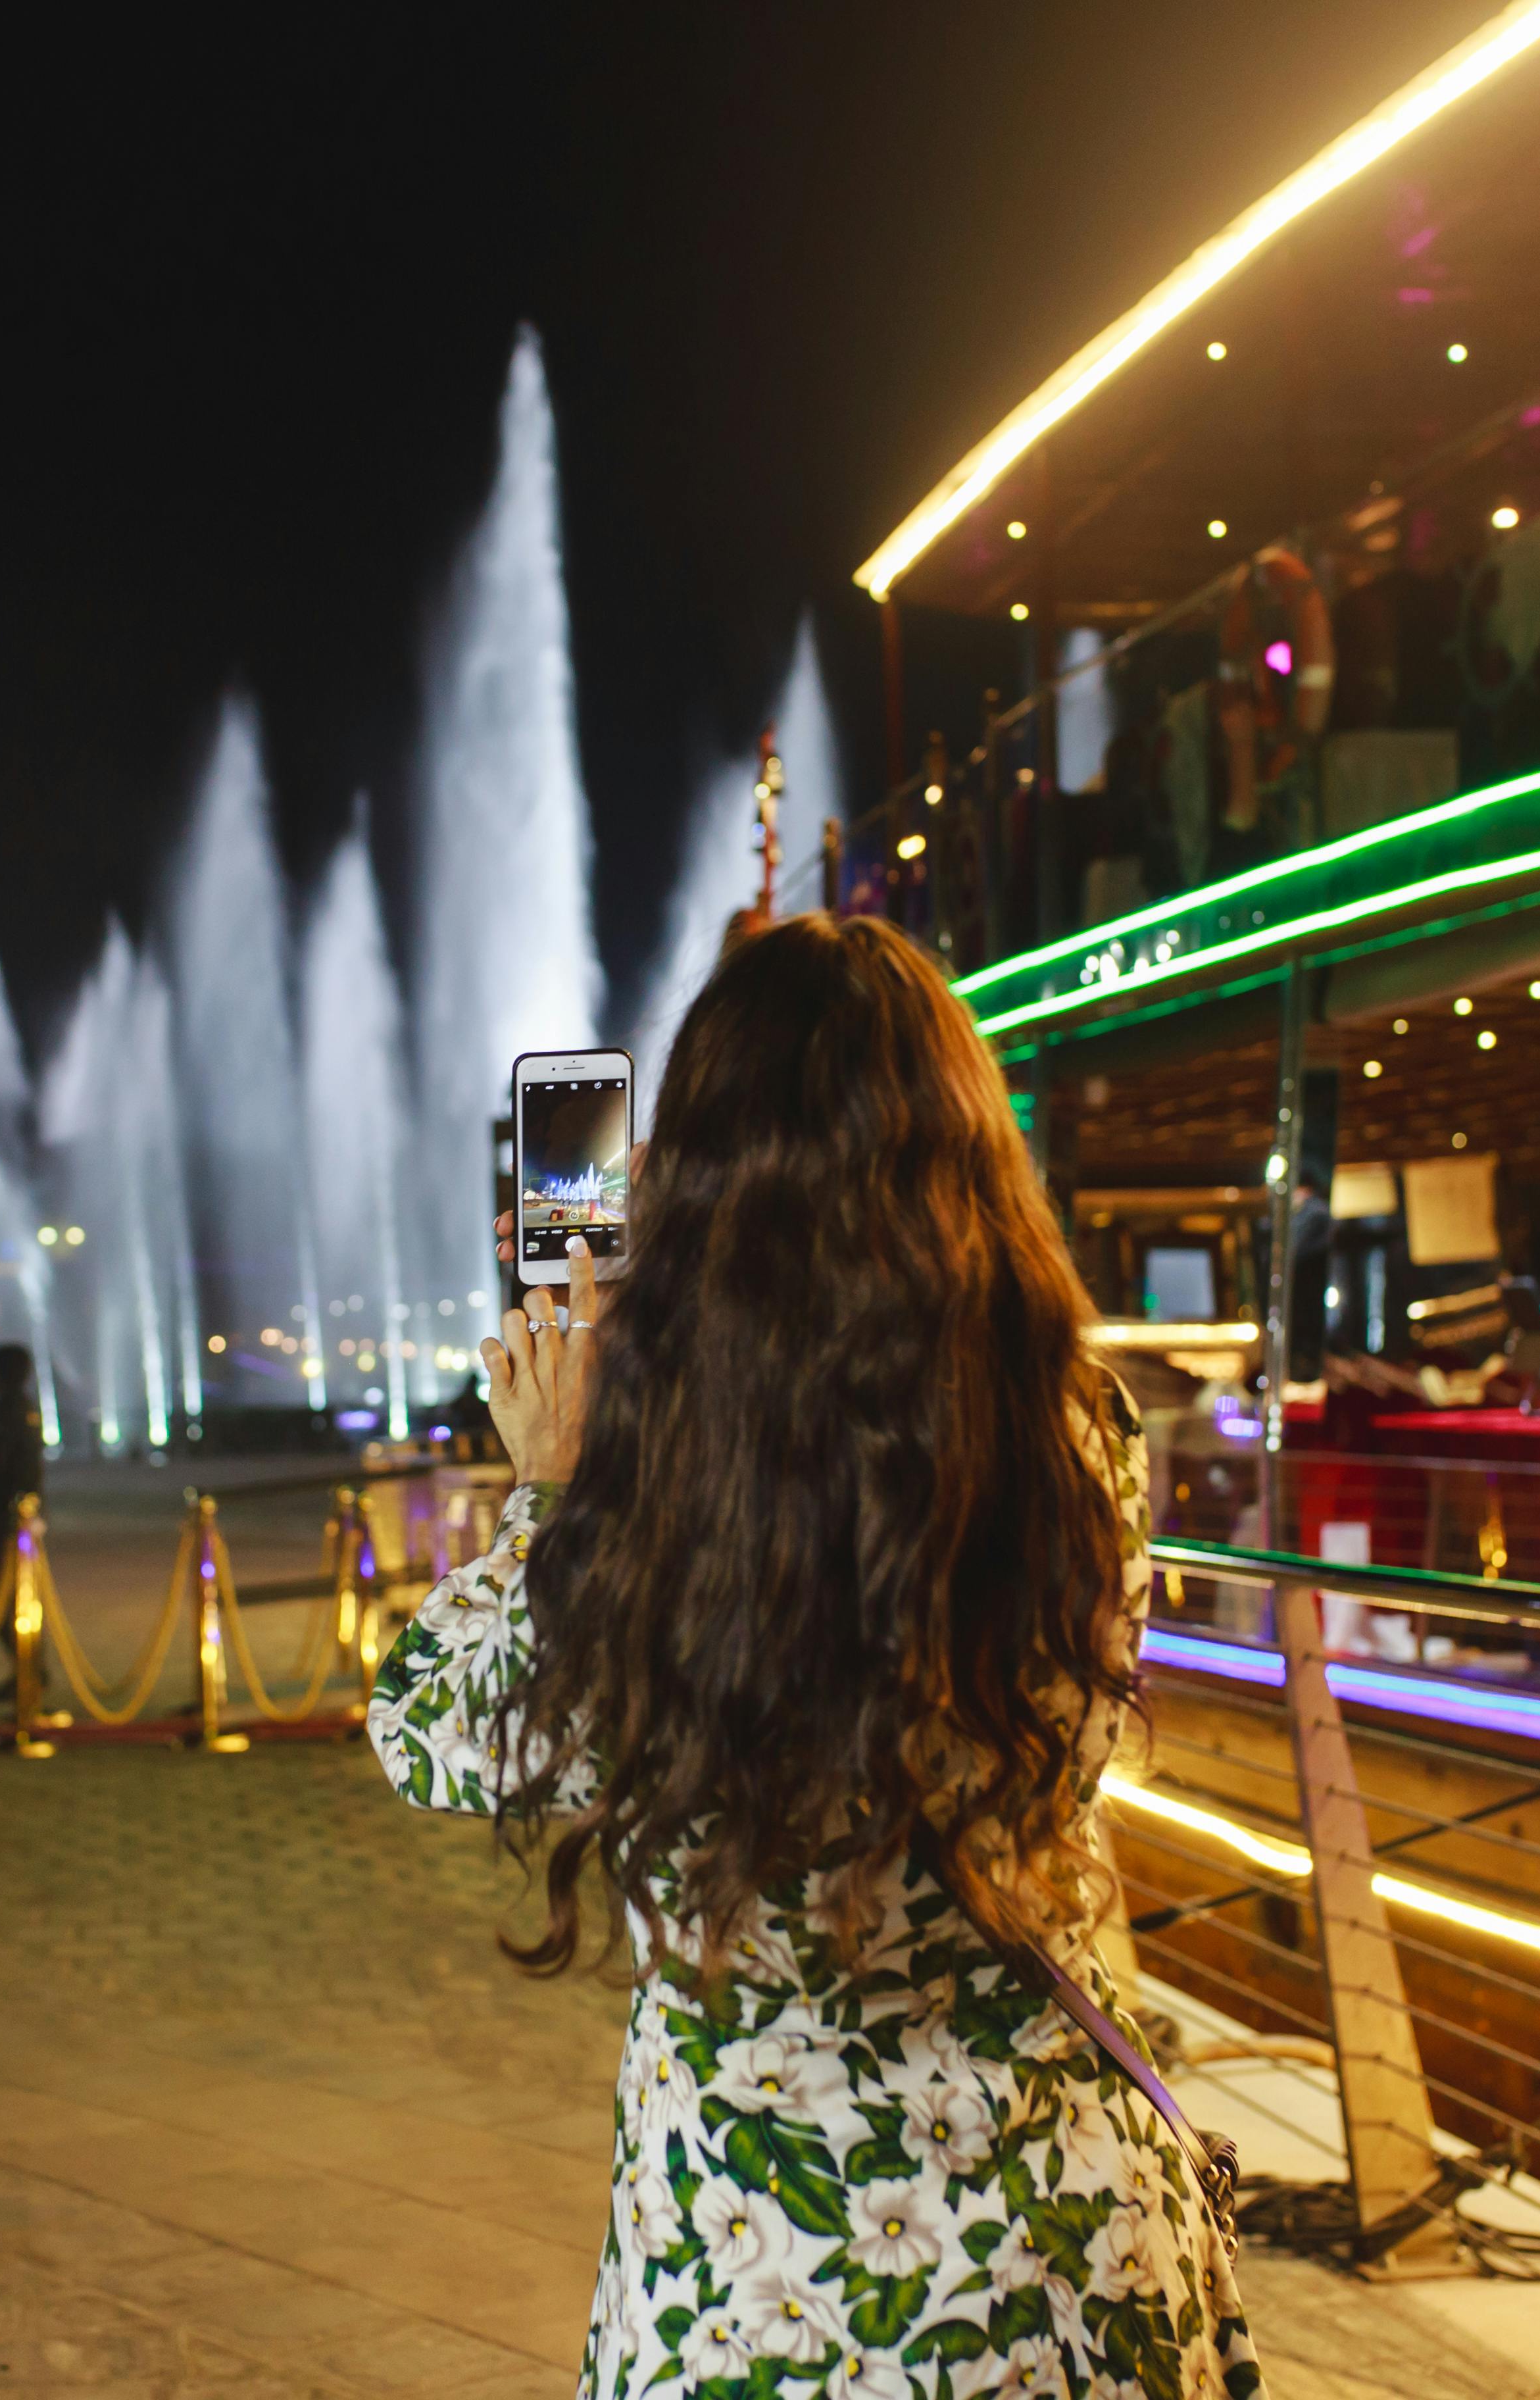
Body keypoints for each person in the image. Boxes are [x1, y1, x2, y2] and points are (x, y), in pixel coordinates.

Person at [368, 916, 1257, 2400]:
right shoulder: (1074, 1428)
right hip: (1067, 2263)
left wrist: (554, 1491)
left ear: (699, 1178)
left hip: (764, 2283)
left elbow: (434, 1730)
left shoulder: (667, 1480)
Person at [0, 1343, 46, 1680]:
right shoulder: (24, 1407)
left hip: (9, 1517)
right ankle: (27, 1672)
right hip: (23, 1513)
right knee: (15, 1596)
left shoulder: (8, 1410)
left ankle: (31, 1672)